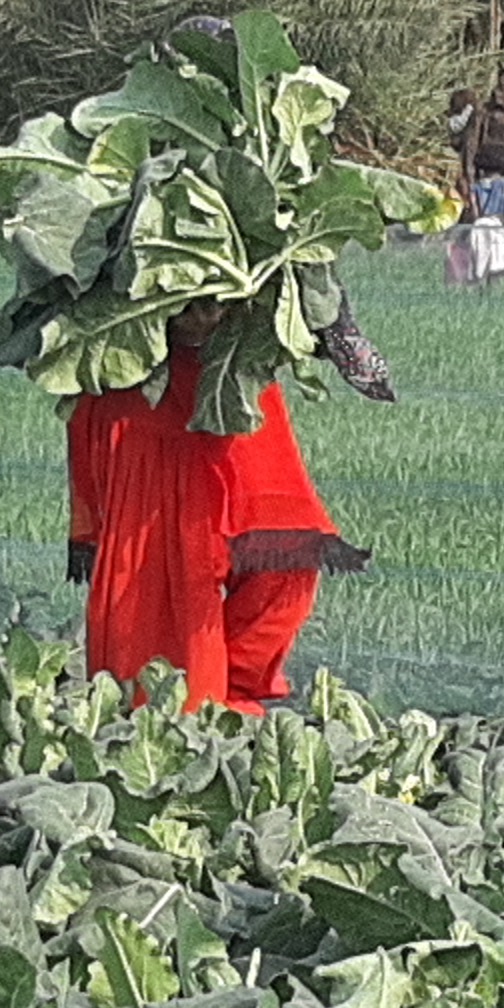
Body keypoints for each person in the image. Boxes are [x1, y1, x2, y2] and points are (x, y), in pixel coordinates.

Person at [66, 303, 367, 709]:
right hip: (140, 380)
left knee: (285, 550)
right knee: (164, 588)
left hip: (233, 371)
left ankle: (229, 695)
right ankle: (171, 725)